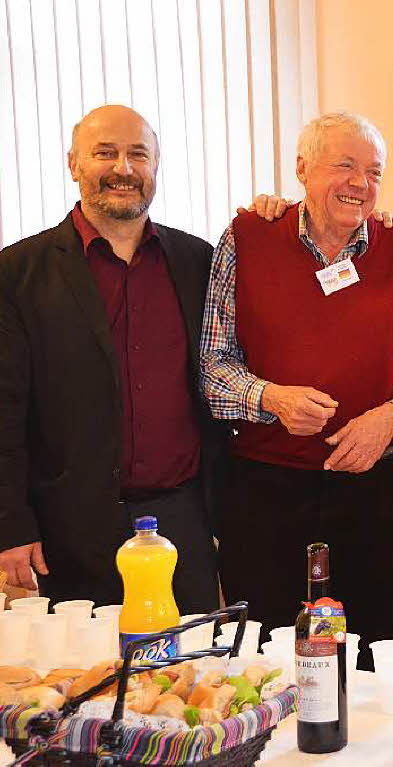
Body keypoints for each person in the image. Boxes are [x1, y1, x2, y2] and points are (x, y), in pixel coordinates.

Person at [200, 111, 393, 667]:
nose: (359, 183)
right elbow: (213, 368)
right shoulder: (246, 239)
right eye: (344, 165)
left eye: (373, 171)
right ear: (302, 168)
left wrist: (391, 417)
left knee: (375, 657)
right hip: (265, 494)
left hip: (375, 494)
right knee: (267, 657)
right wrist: (271, 398)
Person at [0, 105, 223, 611]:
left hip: (182, 521)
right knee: (90, 681)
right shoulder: (17, 273)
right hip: (71, 528)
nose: (123, 168)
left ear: (156, 166)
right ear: (73, 163)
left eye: (137, 155)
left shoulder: (198, 262)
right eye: (105, 153)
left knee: (193, 677)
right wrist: (11, 525)